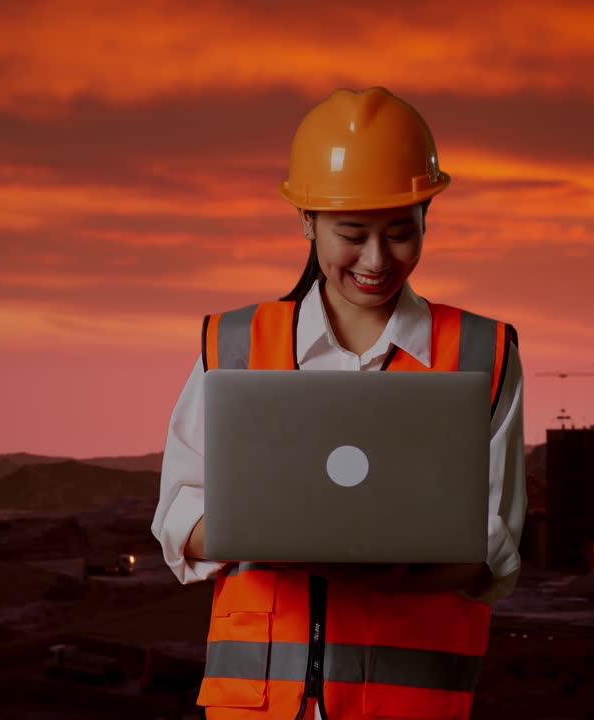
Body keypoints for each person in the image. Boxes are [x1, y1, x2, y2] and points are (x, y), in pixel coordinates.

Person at [152, 87, 526, 720]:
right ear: (307, 222)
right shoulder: (237, 344)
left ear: (427, 216)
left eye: (401, 233)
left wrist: (357, 557)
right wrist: (281, 536)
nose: (377, 261)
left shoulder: (481, 353)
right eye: (352, 235)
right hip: (257, 708)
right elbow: (178, 517)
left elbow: (493, 546)